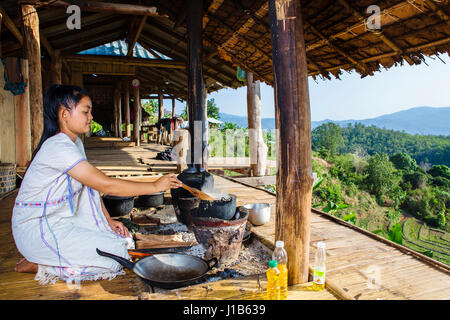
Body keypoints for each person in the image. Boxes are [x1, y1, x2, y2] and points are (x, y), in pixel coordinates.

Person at [12, 84, 182, 285]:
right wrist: (155, 186)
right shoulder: (57, 146)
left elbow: (89, 187)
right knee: (114, 260)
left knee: (123, 241)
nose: (91, 117)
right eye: (85, 111)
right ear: (64, 114)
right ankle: (41, 265)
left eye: (90, 111)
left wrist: (108, 220)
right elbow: (106, 185)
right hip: (37, 229)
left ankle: (51, 257)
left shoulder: (75, 143)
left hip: (60, 221)